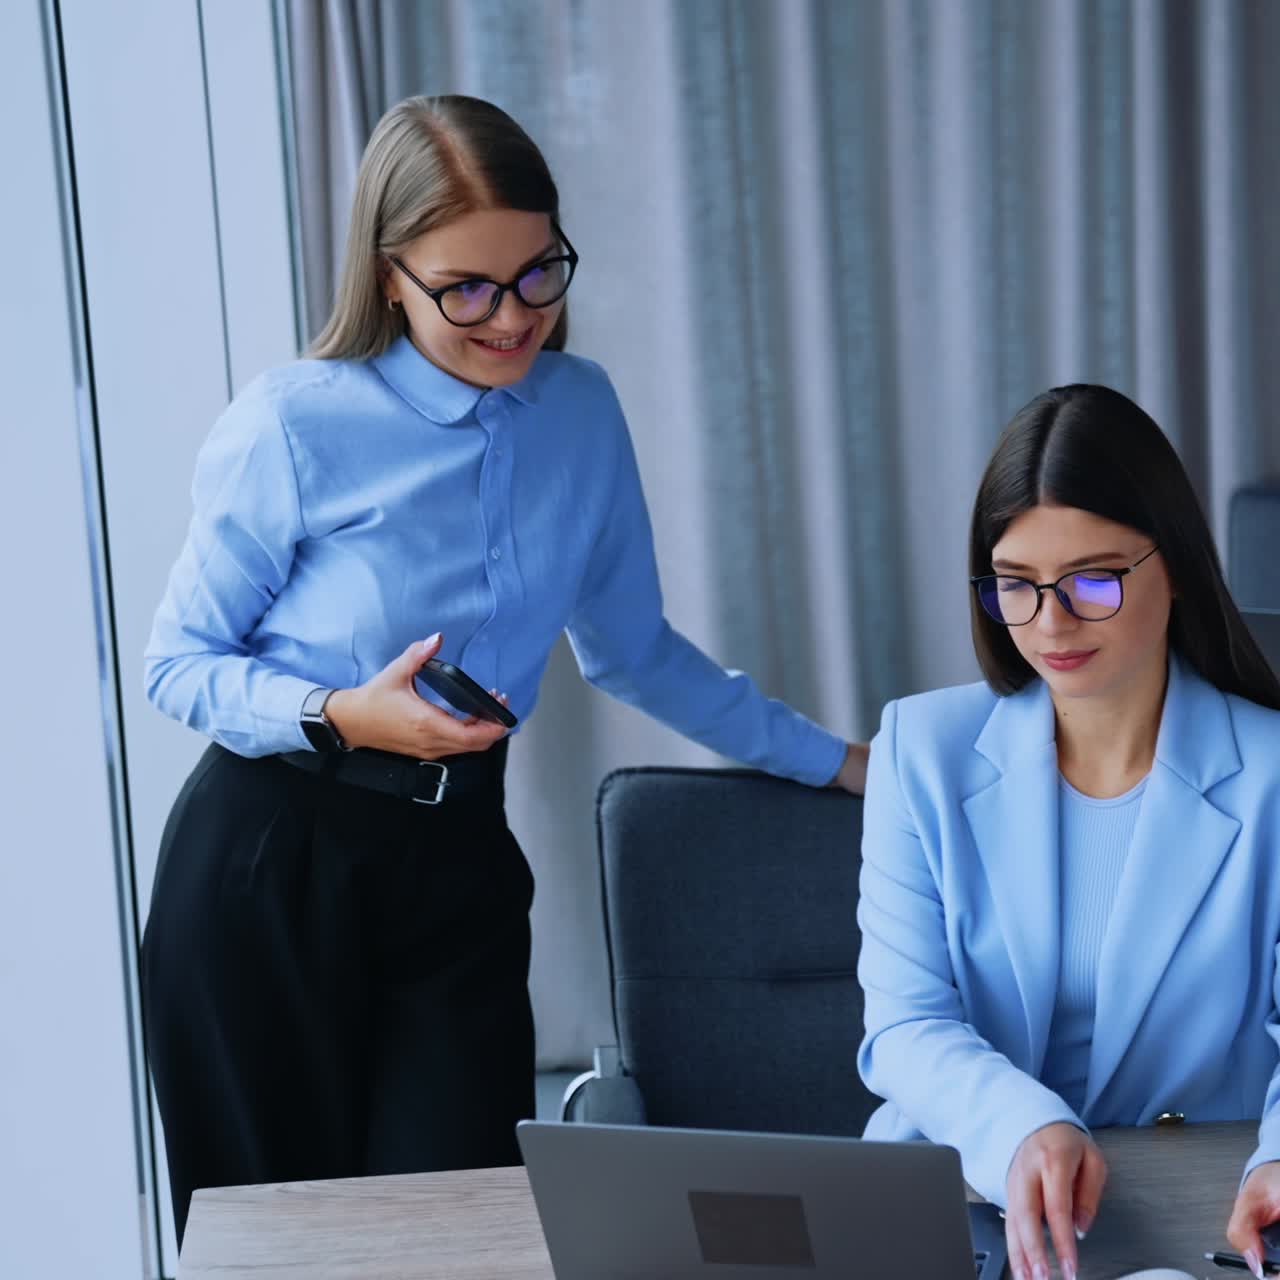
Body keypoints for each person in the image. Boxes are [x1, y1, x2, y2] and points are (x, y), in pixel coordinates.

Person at [141, 93, 866, 1243]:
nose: (512, 315)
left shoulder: (581, 412)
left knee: (458, 1236)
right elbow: (176, 665)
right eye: (464, 288)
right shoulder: (293, 422)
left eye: (538, 273)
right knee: (280, 1250)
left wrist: (834, 761)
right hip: (269, 866)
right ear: (388, 275)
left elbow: (635, 653)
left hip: (458, 866)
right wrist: (337, 712)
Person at [855, 384, 1280, 1280]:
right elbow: (903, 1024)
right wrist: (1021, 1124)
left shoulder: (1274, 773)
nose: (1051, 624)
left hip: (1189, 1213)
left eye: (1094, 579)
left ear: (1178, 566)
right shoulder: (920, 751)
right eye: (1017, 584)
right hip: (961, 1199)